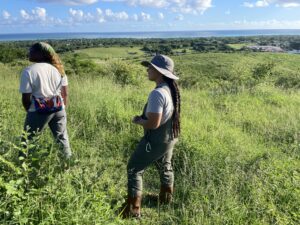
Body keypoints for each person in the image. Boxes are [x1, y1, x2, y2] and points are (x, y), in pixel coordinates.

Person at [122, 54, 181, 218]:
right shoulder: (170, 89)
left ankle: (133, 211)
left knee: (134, 169)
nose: (147, 69)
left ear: (159, 71)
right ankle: (165, 200)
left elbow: (153, 123)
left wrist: (138, 121)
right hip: (169, 137)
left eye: (150, 67)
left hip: (156, 139)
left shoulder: (157, 94)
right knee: (165, 166)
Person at [19, 42, 72, 159]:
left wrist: (30, 111)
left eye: (32, 50)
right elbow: (65, 93)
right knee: (62, 138)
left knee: (28, 141)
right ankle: (68, 164)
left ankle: (24, 169)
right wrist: (62, 107)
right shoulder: (59, 69)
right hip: (59, 108)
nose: (29, 52)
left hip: (38, 110)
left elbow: (26, 98)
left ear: (40, 54)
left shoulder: (29, 71)